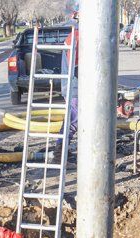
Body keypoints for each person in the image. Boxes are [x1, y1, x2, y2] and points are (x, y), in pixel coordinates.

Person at [58, 11, 79, 149]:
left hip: (74, 87)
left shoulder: (75, 36)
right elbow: (76, 66)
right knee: (73, 120)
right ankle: (60, 152)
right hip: (76, 88)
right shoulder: (77, 37)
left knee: (77, 120)